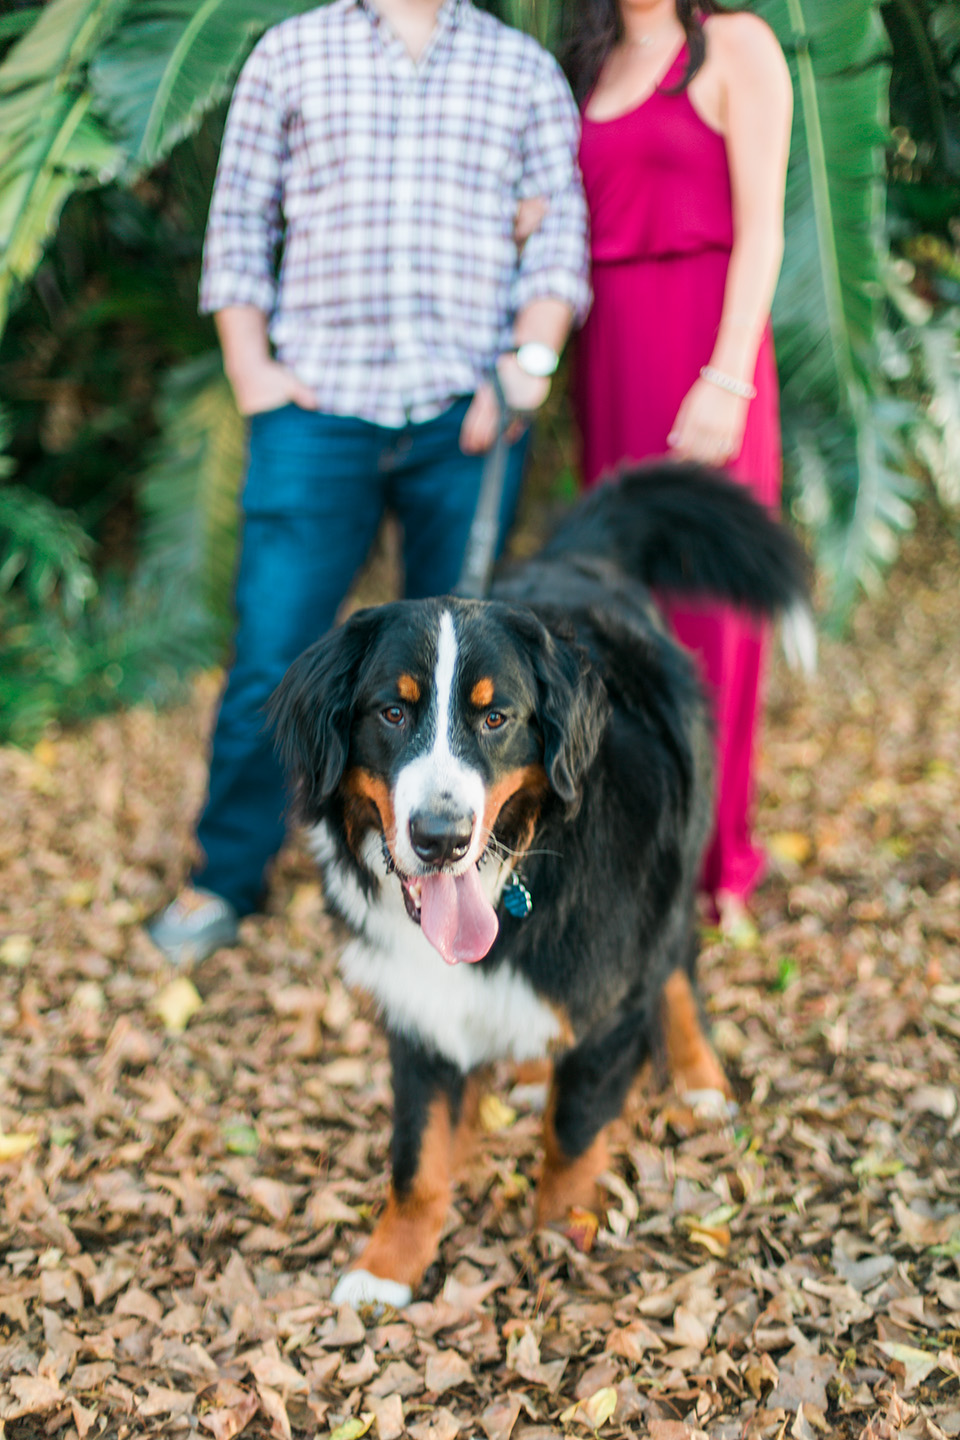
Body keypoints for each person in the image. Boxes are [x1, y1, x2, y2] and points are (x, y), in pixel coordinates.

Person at [147, 0, 590, 965]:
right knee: (275, 652)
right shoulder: (291, 52)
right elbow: (236, 230)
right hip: (318, 410)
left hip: (466, 414)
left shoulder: (521, 69)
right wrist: (253, 373)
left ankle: (452, 884)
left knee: (462, 689)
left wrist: (531, 361)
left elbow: (557, 243)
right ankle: (225, 875)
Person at [557, 0, 793, 936]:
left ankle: (715, 864)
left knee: (712, 617)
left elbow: (766, 228)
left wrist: (728, 377)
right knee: (620, 614)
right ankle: (638, 850)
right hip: (608, 357)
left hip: (706, 352)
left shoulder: (738, 44)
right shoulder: (587, 60)